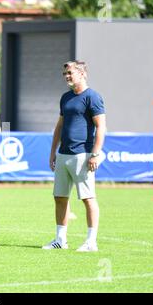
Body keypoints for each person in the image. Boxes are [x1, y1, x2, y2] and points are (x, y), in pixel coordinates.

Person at [43, 60, 106, 252]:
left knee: (88, 198)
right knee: (59, 197)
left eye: (70, 73)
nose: (67, 76)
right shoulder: (66, 97)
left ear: (83, 74)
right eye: (65, 74)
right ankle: (60, 240)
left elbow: (101, 126)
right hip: (63, 155)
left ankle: (91, 242)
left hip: (83, 155)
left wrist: (95, 154)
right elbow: (59, 126)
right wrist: (53, 151)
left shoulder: (92, 97)